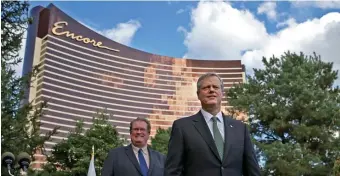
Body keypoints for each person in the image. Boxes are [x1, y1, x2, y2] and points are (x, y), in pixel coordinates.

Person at [164, 72, 261, 176]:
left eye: (215, 87)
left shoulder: (240, 128)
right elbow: (172, 172)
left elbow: (252, 170)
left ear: (222, 93)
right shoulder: (182, 127)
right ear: (198, 94)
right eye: (206, 87)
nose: (211, 90)